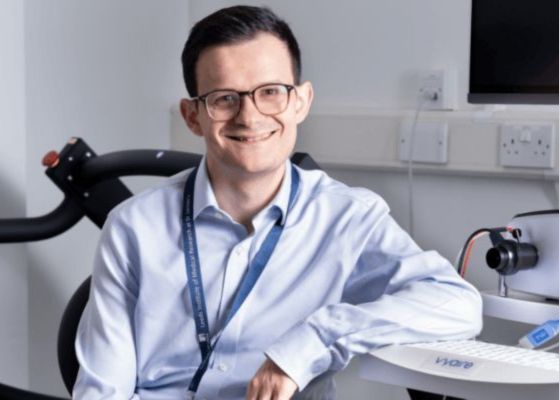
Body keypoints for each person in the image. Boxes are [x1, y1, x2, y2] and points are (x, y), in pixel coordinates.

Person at [74, 5, 482, 400]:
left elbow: (458, 306)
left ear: (301, 101)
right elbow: (101, 391)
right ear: (192, 116)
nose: (249, 117)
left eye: (271, 92)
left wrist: (310, 341)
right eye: (224, 98)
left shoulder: (347, 218)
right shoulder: (133, 226)